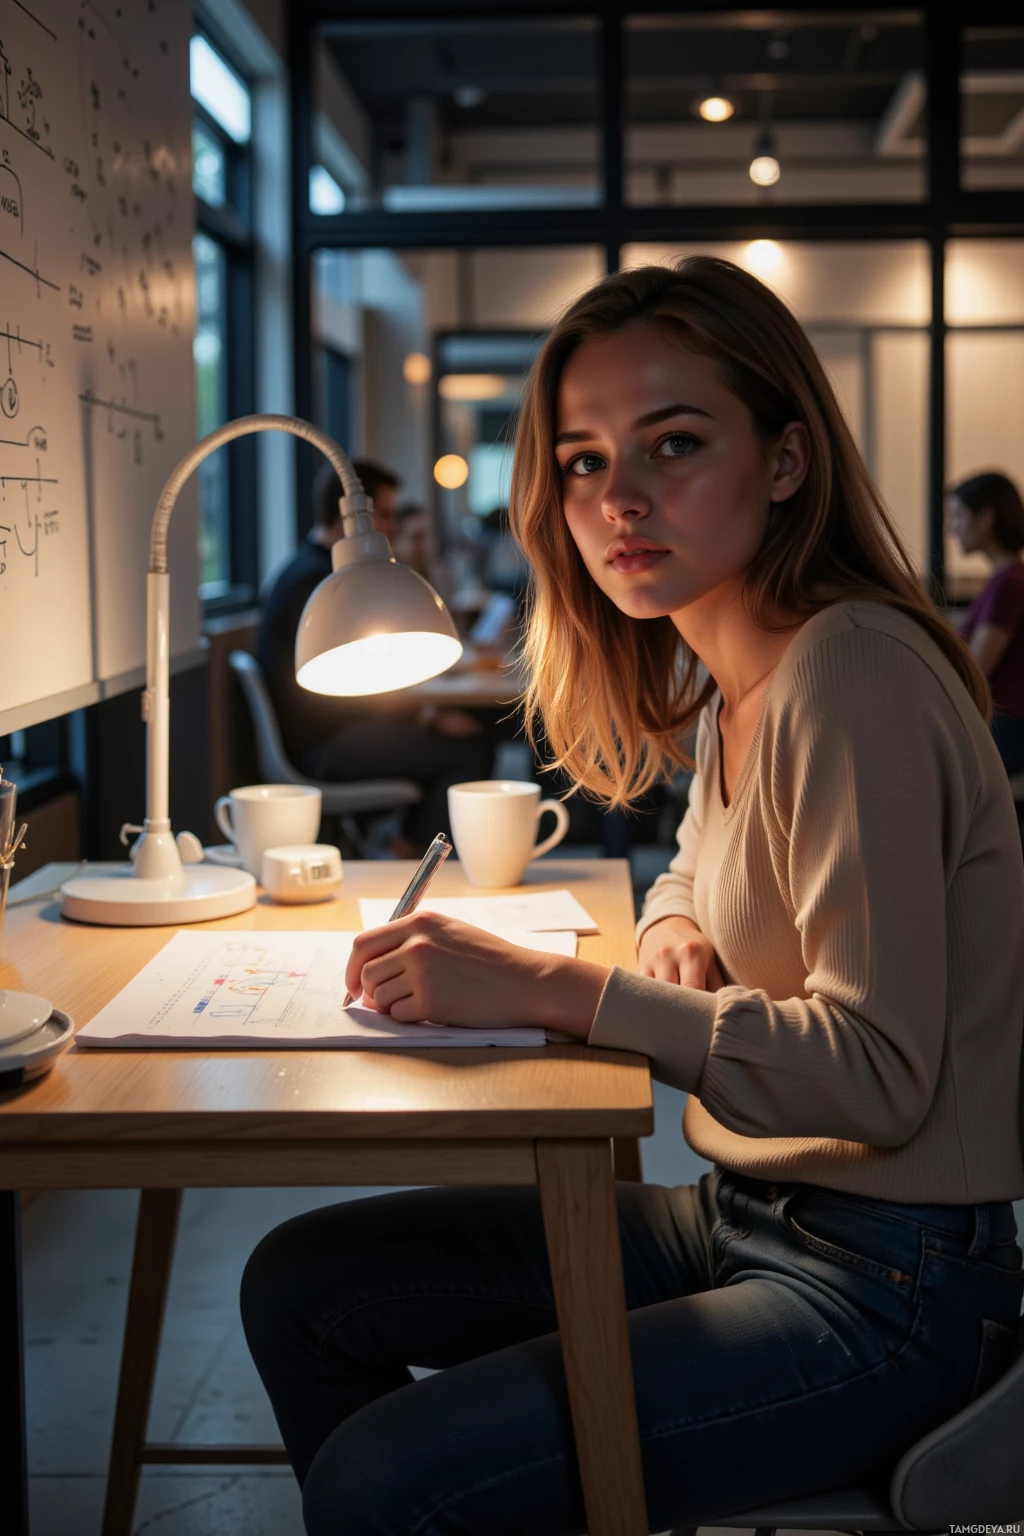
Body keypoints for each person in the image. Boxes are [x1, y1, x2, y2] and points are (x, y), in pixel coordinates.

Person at [242, 259, 1024, 1535]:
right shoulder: (738, 673)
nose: (622, 498)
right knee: (301, 1286)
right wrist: (669, 927)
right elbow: (690, 866)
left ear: (784, 460)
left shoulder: (850, 675)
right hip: (751, 1213)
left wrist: (563, 989)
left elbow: (882, 1073)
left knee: (387, 1483)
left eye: (673, 443)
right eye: (584, 461)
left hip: (891, 1287)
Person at [256, 459, 492, 852]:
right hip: (325, 746)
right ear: (348, 514)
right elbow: (332, 693)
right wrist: (426, 716)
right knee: (470, 751)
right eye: (384, 514)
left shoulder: (315, 571)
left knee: (463, 738)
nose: (394, 526)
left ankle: (409, 842)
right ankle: (413, 852)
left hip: (334, 733)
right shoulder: (321, 586)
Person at [947, 471, 1024, 777]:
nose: (953, 529)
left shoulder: (1008, 585)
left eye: (957, 516)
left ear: (985, 518)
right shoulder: (1006, 580)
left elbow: (975, 670)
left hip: (1006, 728)